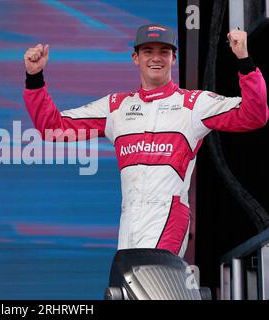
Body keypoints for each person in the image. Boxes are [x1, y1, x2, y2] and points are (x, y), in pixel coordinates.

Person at [22, 24, 269, 257]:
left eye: (164, 52)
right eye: (148, 51)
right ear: (135, 58)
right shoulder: (115, 107)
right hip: (129, 218)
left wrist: (244, 61)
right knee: (130, 287)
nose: (156, 58)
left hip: (168, 215)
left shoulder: (194, 104)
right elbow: (53, 127)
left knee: (151, 281)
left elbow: (254, 115)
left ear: (174, 59)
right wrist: (34, 78)